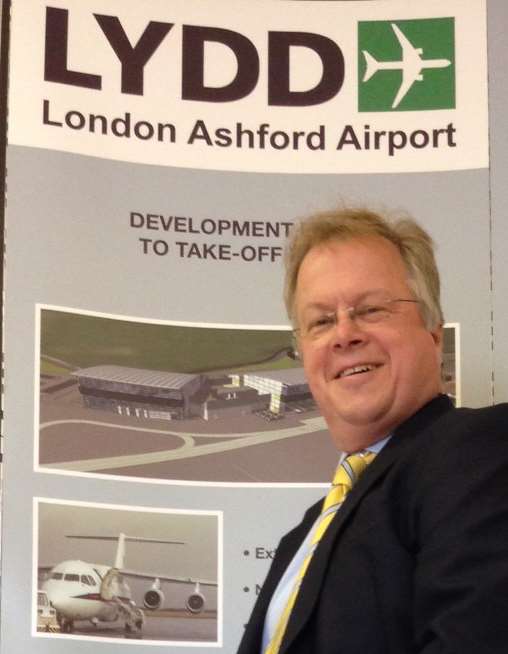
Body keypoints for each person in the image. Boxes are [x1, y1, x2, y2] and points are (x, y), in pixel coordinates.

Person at [238, 207, 508, 654]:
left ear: (434, 335)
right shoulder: (304, 534)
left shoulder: (482, 451)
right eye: (321, 321)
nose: (344, 334)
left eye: (370, 309)